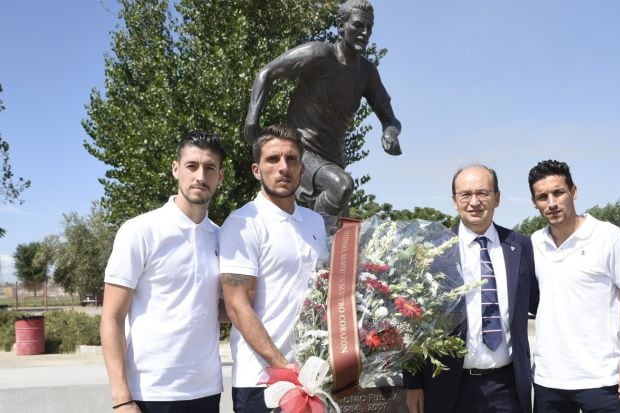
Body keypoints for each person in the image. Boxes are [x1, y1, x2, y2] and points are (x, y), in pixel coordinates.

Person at [100, 131, 226, 412]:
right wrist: (121, 398)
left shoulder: (221, 238)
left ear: (220, 176)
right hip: (150, 391)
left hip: (206, 389)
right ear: (175, 169)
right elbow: (112, 317)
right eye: (192, 166)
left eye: (210, 168)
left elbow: (215, 307)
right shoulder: (139, 231)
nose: (200, 177)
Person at [243, 0, 402, 218]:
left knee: (343, 229)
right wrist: (252, 121)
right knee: (342, 187)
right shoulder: (318, 54)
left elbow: (390, 119)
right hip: (301, 151)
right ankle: (316, 240)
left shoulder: (367, 73)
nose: (364, 33)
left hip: (333, 160)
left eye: (369, 28)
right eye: (358, 25)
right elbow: (266, 73)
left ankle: (319, 241)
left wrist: (389, 132)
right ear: (341, 27)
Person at [404, 165, 539, 413]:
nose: (474, 202)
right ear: (454, 201)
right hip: (447, 387)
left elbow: (542, 304)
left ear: (497, 198)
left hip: (506, 387)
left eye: (483, 193)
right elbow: (412, 321)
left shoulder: (521, 247)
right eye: (465, 194)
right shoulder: (432, 251)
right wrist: (412, 384)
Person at [219, 124, 329, 413]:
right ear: (257, 170)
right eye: (273, 159)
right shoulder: (243, 223)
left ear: (302, 169)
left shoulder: (315, 222)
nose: (283, 167)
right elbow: (237, 307)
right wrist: (284, 366)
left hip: (314, 378)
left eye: (291, 159)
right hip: (263, 381)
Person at [527, 159, 620, 412]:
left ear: (574, 191)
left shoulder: (607, 236)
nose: (552, 203)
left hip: (600, 379)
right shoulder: (534, 244)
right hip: (549, 379)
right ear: (534, 202)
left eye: (559, 192)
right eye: (542, 197)